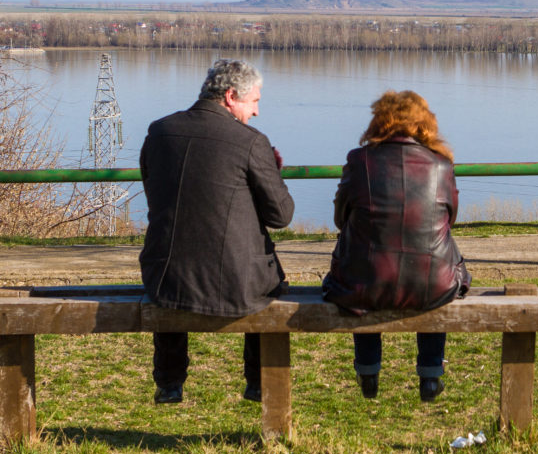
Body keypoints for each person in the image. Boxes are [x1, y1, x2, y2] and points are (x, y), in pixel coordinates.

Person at [139, 58, 294, 404]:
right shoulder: (251, 142)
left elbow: (155, 197)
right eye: (254, 101)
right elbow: (281, 215)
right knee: (265, 280)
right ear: (230, 96)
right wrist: (271, 171)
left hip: (165, 276)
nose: (256, 112)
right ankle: (257, 382)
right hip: (236, 282)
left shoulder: (159, 132)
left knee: (177, 272)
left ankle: (169, 380)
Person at [322, 90, 470, 402]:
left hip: (365, 283)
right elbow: (450, 218)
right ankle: (430, 373)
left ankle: (368, 369)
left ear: (379, 121)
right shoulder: (442, 165)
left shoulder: (359, 160)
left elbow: (340, 218)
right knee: (433, 265)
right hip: (433, 284)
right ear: (425, 124)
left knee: (364, 269)